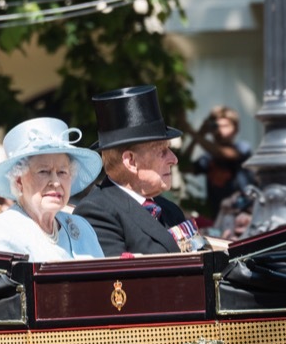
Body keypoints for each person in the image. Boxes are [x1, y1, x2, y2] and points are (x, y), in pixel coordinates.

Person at [75, 85, 205, 256]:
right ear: (131, 161)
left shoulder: (170, 210)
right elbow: (120, 281)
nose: (174, 159)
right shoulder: (97, 212)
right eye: (162, 151)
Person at [0, 117, 104, 261]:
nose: (56, 182)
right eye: (43, 172)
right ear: (19, 181)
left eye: (62, 172)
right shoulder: (1, 230)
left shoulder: (82, 227)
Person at [181, 105, 255, 218]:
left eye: (225, 126)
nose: (220, 130)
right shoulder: (209, 157)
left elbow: (223, 154)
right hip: (218, 217)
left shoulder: (243, 148)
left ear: (236, 129)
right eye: (216, 126)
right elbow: (184, 167)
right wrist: (199, 134)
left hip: (244, 214)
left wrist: (191, 132)